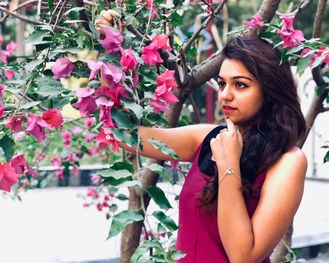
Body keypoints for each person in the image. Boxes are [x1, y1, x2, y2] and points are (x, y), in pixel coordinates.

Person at [97, 12, 308, 263]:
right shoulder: (208, 138)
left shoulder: (288, 162)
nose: (225, 95)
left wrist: (228, 165)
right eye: (221, 84)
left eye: (240, 85)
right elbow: (126, 135)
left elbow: (244, 257)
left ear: (270, 90)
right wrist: (109, 45)